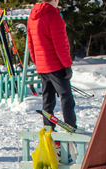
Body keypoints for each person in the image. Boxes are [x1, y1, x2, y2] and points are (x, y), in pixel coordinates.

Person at [28, 0, 76, 131]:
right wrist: (67, 65)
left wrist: (37, 62)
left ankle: (48, 126)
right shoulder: (54, 16)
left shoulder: (32, 16)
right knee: (66, 96)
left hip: (42, 65)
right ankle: (70, 125)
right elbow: (60, 45)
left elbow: (30, 43)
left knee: (48, 98)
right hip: (55, 64)